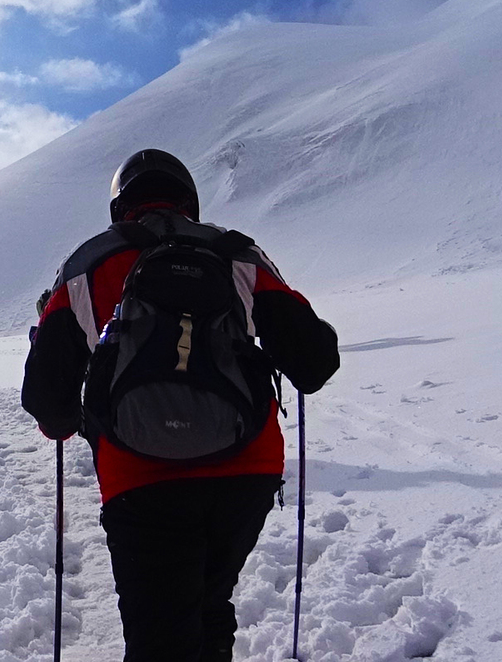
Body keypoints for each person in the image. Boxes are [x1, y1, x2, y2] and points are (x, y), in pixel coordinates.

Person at [21, 148, 339, 662]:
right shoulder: (236, 254)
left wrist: (82, 419)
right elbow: (314, 361)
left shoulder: (90, 264)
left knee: (159, 637)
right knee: (208, 600)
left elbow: (47, 401)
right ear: (188, 199)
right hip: (246, 469)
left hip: (141, 480)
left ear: (119, 204)